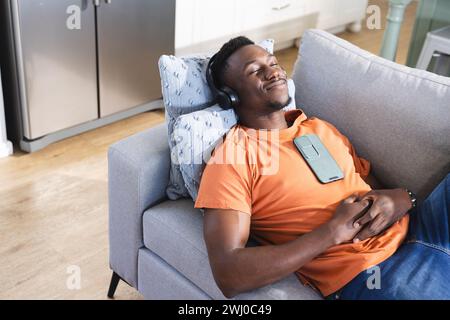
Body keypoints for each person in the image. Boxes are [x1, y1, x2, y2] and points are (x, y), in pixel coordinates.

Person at [194, 36, 450, 300]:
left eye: (272, 63)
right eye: (255, 71)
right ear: (231, 96)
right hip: (376, 270)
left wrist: (404, 197)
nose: (273, 72)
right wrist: (332, 232)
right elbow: (228, 273)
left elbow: (372, 188)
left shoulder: (319, 127)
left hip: (426, 229)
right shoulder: (234, 157)